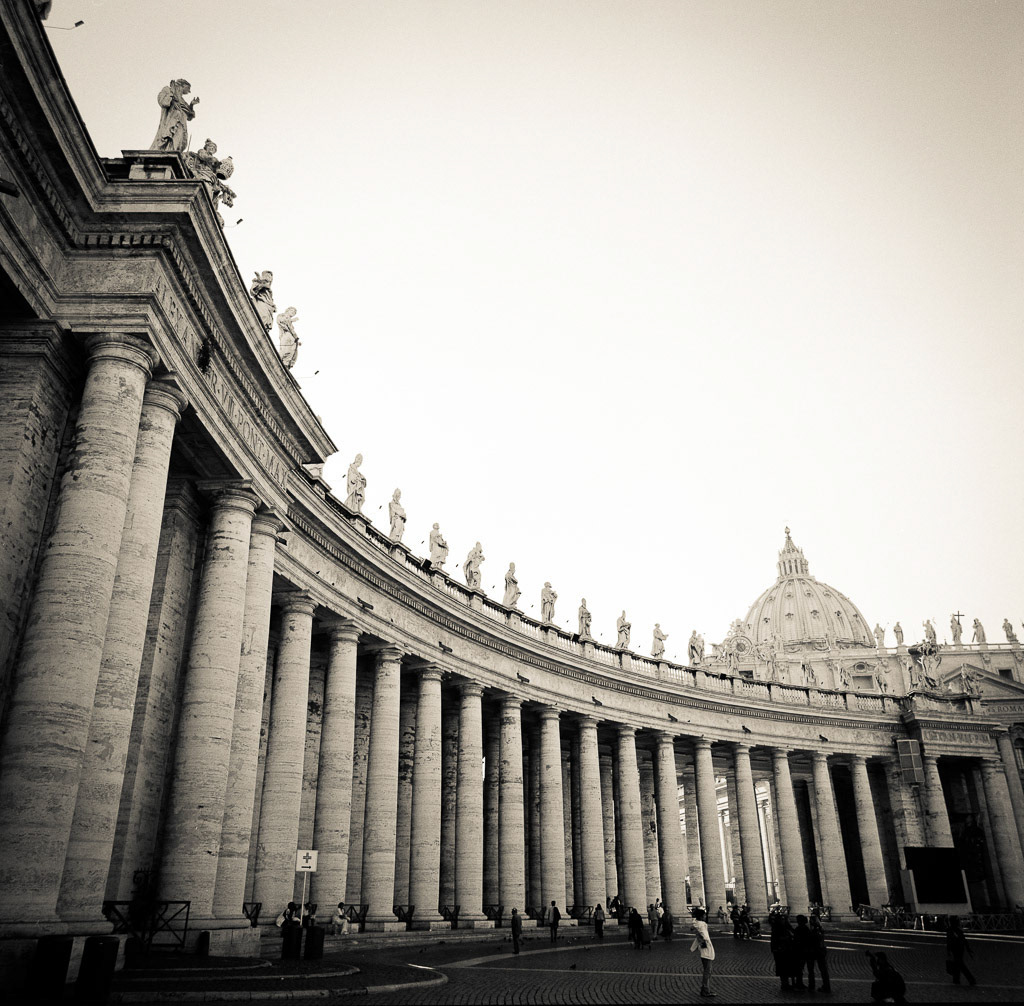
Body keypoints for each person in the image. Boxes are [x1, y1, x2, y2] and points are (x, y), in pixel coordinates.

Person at [690, 907, 716, 998]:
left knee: (707, 970)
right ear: (701, 916)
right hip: (706, 948)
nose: (705, 916)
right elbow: (704, 935)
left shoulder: (697, 924)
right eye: (704, 915)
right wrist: (707, 940)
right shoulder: (702, 925)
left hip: (702, 947)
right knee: (707, 971)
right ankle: (705, 990)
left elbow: (698, 936)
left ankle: (705, 989)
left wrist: (693, 947)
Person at [769, 912, 796, 993]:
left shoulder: (784, 928)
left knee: (786, 967)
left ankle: (787, 983)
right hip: (781, 950)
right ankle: (785, 983)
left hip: (784, 950)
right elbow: (775, 941)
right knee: (783, 967)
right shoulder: (778, 929)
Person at [946, 916, 975, 986]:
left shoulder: (950, 930)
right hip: (960, 949)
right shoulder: (958, 930)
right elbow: (964, 940)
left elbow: (949, 941)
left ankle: (969, 979)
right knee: (958, 964)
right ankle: (956, 979)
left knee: (959, 965)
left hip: (955, 949)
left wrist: (948, 950)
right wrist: (968, 948)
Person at [807, 915, 831, 993]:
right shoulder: (820, 929)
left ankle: (811, 985)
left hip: (813, 951)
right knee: (823, 970)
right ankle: (826, 985)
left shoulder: (813, 930)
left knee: (811, 969)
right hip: (821, 951)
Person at [792, 914, 814, 992]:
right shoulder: (807, 929)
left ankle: (799, 983)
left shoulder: (798, 929)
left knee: (799, 968)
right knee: (810, 969)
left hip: (800, 952)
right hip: (808, 951)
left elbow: (795, 940)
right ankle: (811, 984)